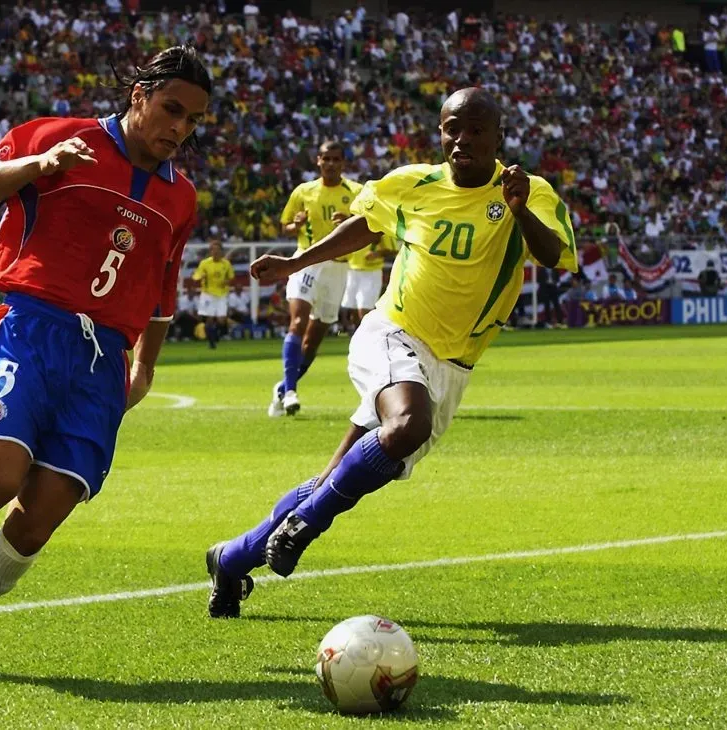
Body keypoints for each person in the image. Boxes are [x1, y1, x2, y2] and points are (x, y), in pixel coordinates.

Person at [204, 88, 578, 618]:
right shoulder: (414, 184)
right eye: (452, 127)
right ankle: (306, 527)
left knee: (335, 478)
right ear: (440, 132)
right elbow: (364, 225)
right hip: (392, 331)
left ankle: (231, 559)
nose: (462, 139)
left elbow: (553, 255)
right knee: (406, 425)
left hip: (453, 365)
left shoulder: (528, 191)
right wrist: (294, 264)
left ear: (499, 137)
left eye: (475, 129)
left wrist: (519, 212)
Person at [0, 46, 210, 676]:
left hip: (105, 361)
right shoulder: (60, 138)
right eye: (171, 109)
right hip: (30, 330)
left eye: (193, 120)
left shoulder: (182, 198)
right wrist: (38, 163)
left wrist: (145, 367)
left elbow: (163, 285)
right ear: (139, 96)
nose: (178, 128)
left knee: (37, 523)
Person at [270, 141, 363, 417]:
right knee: (298, 322)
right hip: (307, 262)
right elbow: (285, 227)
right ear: (318, 161)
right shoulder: (304, 191)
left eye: (336, 159)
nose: (331, 164)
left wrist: (349, 220)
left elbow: (368, 225)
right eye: (326, 158)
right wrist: (294, 226)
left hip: (338, 268)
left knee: (313, 341)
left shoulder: (356, 192)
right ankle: (290, 393)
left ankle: (285, 386)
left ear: (343, 163)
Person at [341, 236, 396, 326]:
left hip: (371, 273)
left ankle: (370, 335)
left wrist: (377, 254)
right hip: (352, 271)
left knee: (364, 311)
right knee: (353, 313)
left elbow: (393, 250)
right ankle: (358, 338)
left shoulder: (378, 227)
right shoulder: (353, 228)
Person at [192, 239, 233, 348]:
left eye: (217, 250)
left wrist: (226, 282)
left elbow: (231, 278)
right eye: (213, 250)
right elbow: (196, 276)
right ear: (210, 251)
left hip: (222, 294)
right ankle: (212, 342)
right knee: (209, 318)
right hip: (208, 294)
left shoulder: (226, 264)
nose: (215, 252)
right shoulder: (204, 263)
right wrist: (200, 277)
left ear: (221, 252)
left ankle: (215, 335)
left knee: (221, 320)